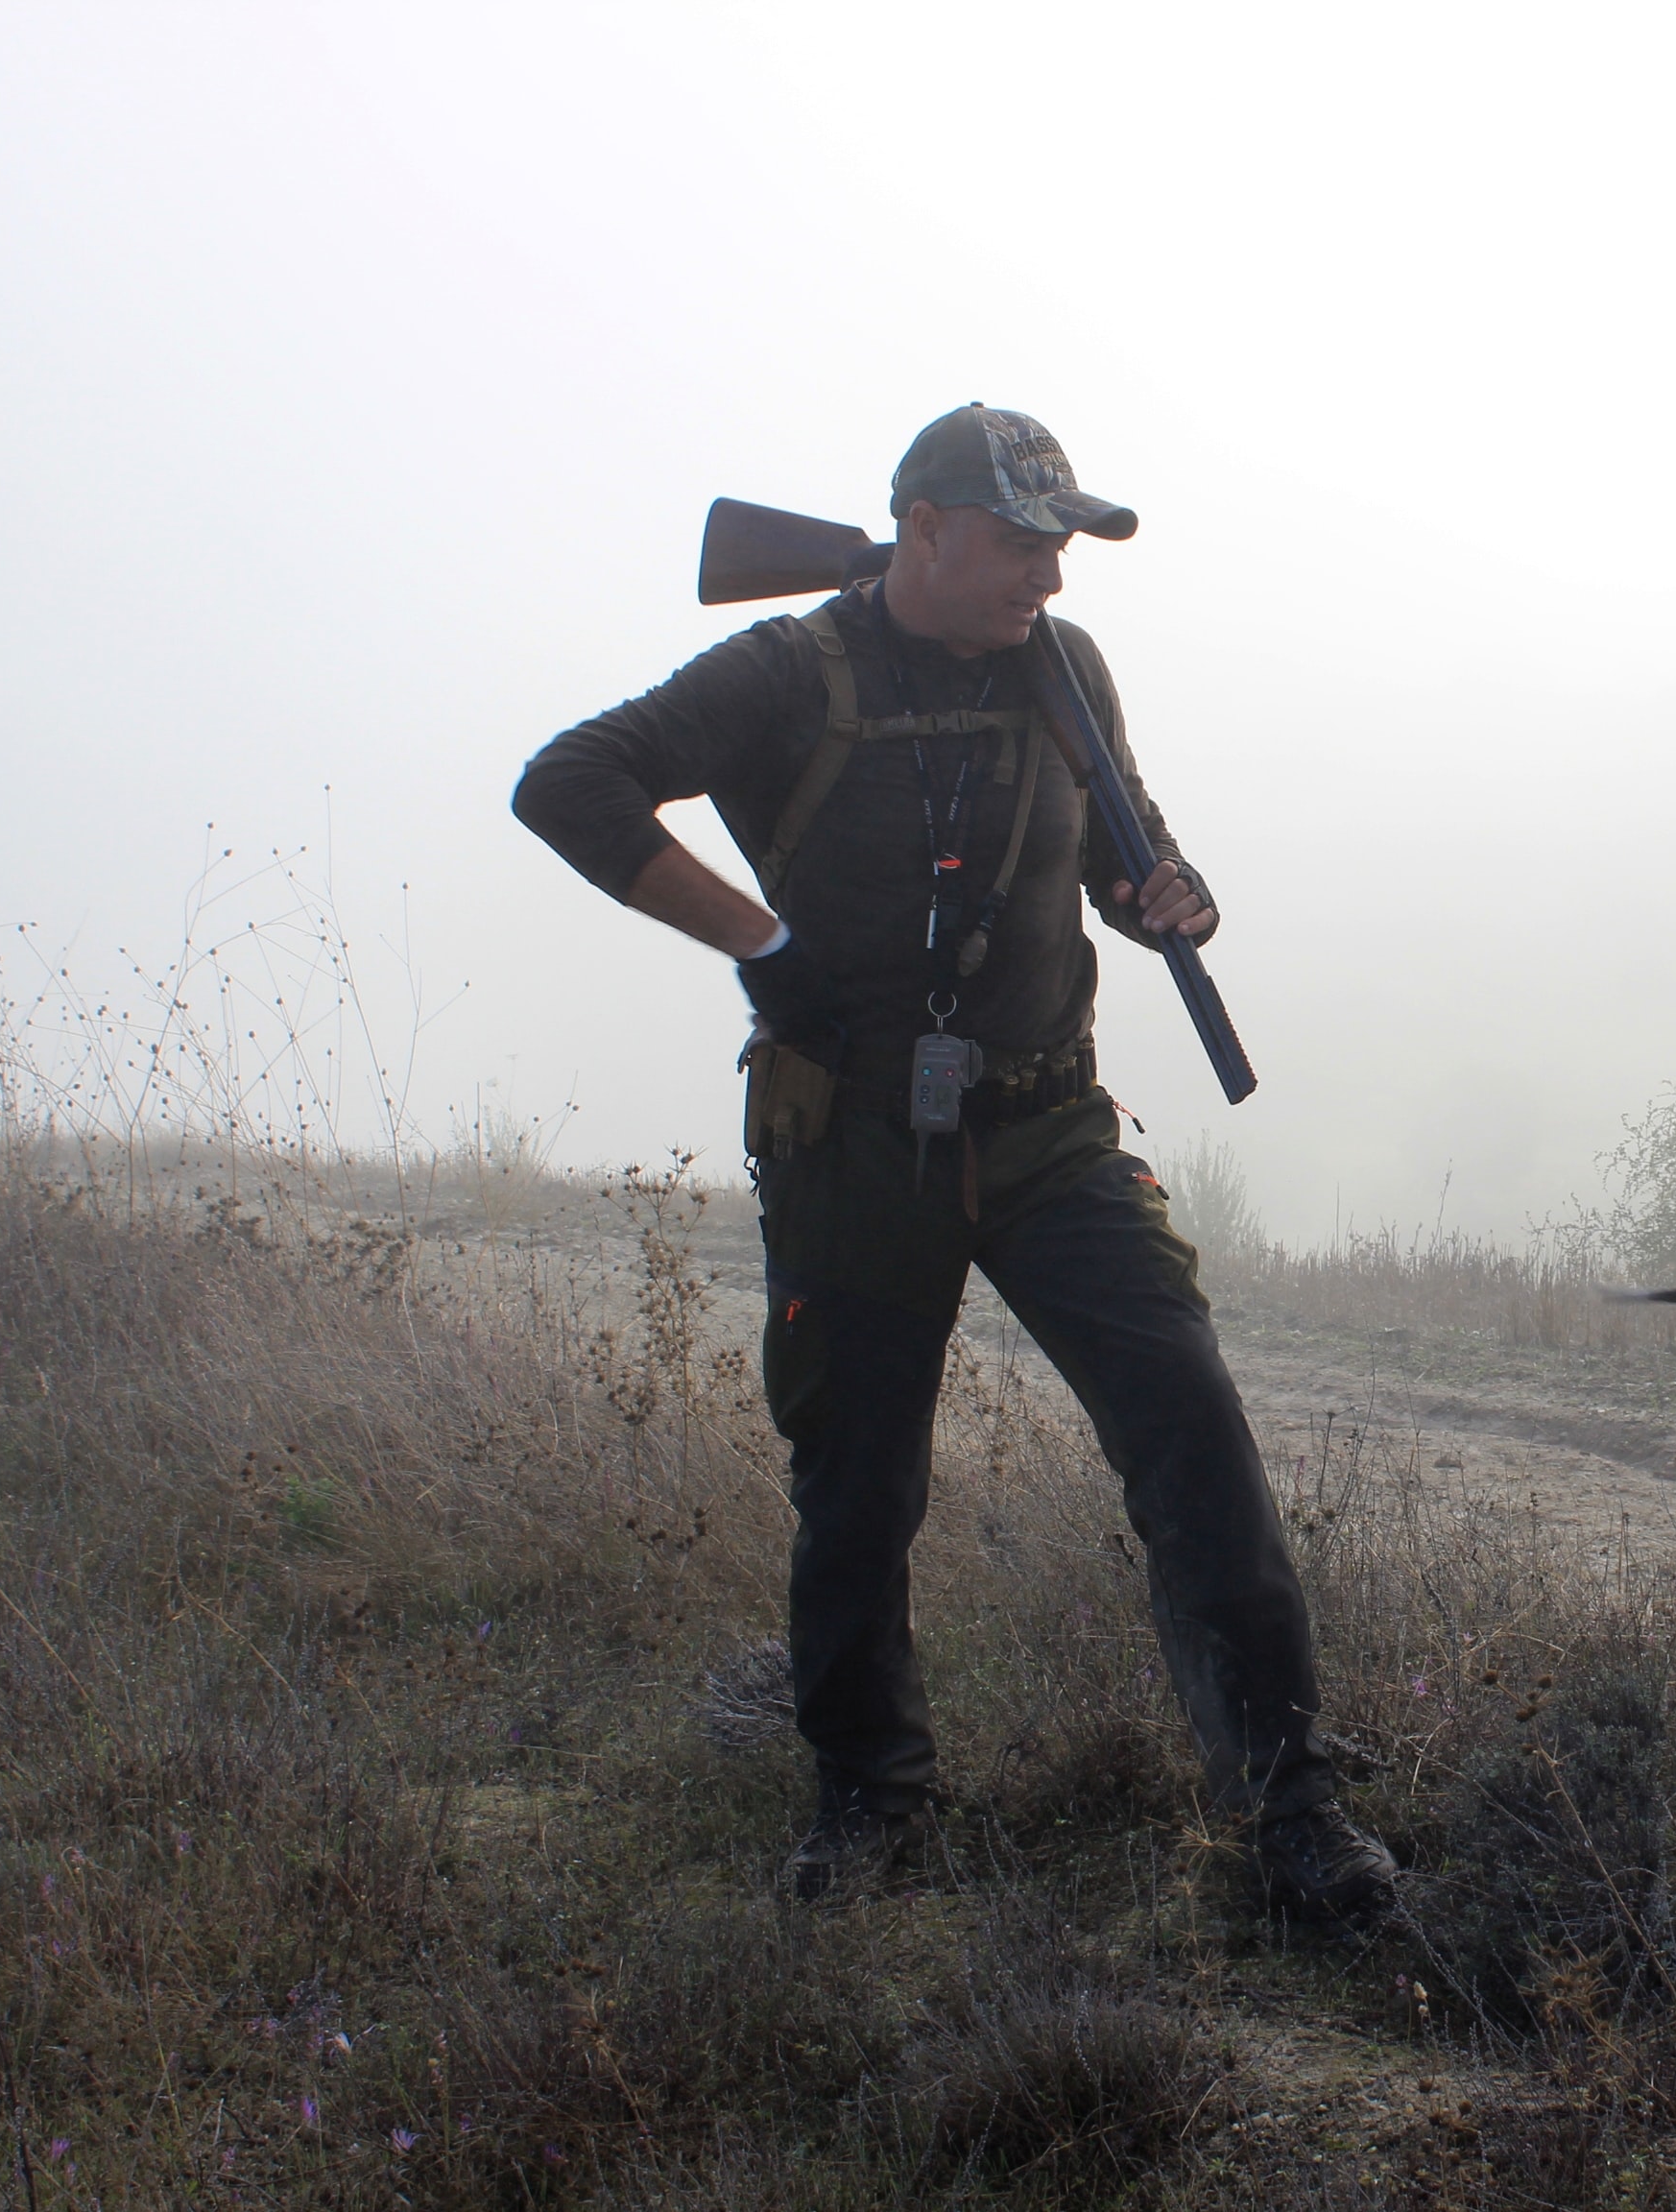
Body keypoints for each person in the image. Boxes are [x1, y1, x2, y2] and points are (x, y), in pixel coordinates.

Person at [511, 404, 1397, 1918]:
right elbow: (569, 784)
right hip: (853, 1137)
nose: (1050, 574)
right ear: (921, 528)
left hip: (1052, 1127)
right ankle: (869, 1802)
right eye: (1021, 539)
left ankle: (1291, 1810)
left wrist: (1158, 890)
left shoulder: (1065, 668)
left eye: (1064, 543)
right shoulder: (787, 672)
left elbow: (1118, 844)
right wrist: (758, 940)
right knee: (856, 1490)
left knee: (1193, 1435)